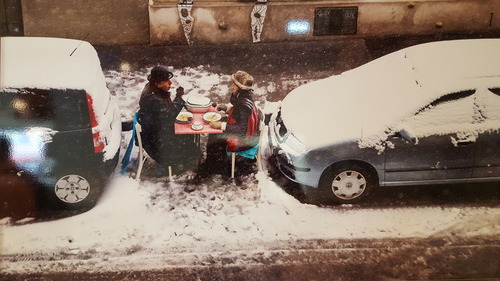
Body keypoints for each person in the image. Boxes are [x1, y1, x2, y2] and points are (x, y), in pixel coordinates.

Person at [137, 66, 200, 173]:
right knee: (193, 150)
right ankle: (177, 166)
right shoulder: (152, 99)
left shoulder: (152, 89)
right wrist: (179, 98)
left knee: (189, 137)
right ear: (157, 84)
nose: (170, 83)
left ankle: (187, 156)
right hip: (157, 145)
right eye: (166, 81)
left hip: (156, 134)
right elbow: (169, 116)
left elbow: (164, 114)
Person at [200, 70, 261, 180]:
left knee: (214, 136)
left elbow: (241, 129)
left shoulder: (243, 105)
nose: (232, 86)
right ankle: (215, 161)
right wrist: (227, 109)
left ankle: (214, 167)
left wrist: (221, 126)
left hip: (245, 141)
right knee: (221, 122)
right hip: (250, 135)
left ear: (240, 87)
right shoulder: (245, 98)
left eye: (234, 84)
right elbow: (240, 116)